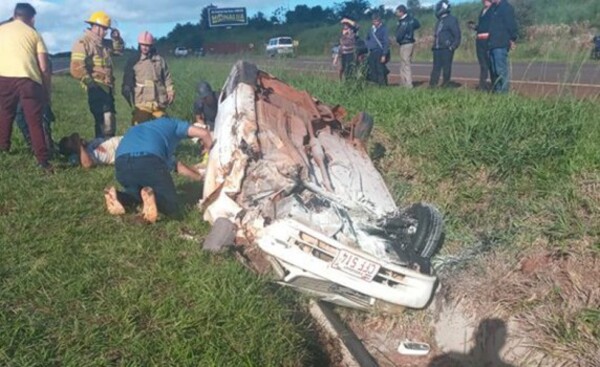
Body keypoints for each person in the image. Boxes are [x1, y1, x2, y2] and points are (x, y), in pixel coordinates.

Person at [104, 118, 212, 223]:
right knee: (172, 207)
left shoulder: (146, 130)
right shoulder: (174, 124)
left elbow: (177, 166)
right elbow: (204, 133)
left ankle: (119, 197)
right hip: (147, 160)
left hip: (122, 164)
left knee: (136, 195)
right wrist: (209, 151)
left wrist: (199, 178)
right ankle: (153, 207)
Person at [0, 3, 53, 172]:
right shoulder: (34, 34)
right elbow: (44, 67)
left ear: (15, 15)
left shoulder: (2, 30)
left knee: (5, 114)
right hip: (28, 80)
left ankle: (3, 148)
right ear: (32, 19)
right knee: (34, 121)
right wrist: (46, 91)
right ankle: (42, 160)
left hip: (4, 78)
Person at [57, 132, 203, 181]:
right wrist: (79, 146)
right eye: (72, 142)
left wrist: (82, 142)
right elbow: (88, 165)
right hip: (130, 150)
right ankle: (200, 178)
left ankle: (200, 173)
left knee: (168, 156)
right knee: (170, 163)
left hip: (131, 140)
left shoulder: (89, 145)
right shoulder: (80, 157)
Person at [70, 11, 124, 138]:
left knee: (108, 120)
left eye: (107, 29)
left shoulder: (104, 44)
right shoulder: (83, 42)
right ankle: (102, 147)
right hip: (96, 86)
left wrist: (116, 38)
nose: (106, 32)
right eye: (104, 28)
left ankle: (105, 147)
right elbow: (76, 67)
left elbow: (119, 50)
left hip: (108, 86)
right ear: (95, 26)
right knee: (104, 119)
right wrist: (90, 83)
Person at [122, 31, 175, 125]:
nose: (145, 47)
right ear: (139, 45)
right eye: (142, 45)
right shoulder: (134, 60)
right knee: (139, 127)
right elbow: (127, 78)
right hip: (142, 101)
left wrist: (170, 90)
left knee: (163, 126)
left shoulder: (159, 60)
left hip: (159, 100)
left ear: (151, 45)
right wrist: (126, 88)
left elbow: (167, 77)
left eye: (147, 45)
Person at [429, 0, 461, 88]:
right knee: (436, 68)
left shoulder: (451, 20)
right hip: (437, 48)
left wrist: (453, 46)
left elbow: (457, 35)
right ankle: (432, 85)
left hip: (446, 48)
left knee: (446, 68)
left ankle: (446, 85)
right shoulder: (439, 21)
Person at [488, 0, 518, 93]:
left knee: (500, 70)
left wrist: (513, 39)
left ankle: (504, 93)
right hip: (492, 44)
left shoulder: (506, 8)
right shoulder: (493, 8)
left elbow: (511, 25)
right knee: (494, 71)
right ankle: (497, 92)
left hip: (500, 44)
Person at [468, 0, 493, 90]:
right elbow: (482, 26)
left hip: (488, 40)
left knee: (490, 64)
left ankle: (494, 84)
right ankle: (482, 85)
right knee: (483, 64)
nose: (485, 1)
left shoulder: (493, 10)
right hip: (480, 41)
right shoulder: (482, 11)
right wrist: (475, 27)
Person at [395, 5, 421, 88]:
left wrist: (398, 39)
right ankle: (403, 82)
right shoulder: (410, 20)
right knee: (403, 63)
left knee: (406, 63)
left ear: (401, 12)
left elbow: (400, 34)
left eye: (397, 11)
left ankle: (408, 84)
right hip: (406, 42)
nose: (396, 13)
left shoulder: (404, 21)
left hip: (406, 42)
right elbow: (417, 24)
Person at [365, 12, 390, 86]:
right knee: (373, 68)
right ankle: (376, 84)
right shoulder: (371, 29)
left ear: (380, 21)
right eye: (373, 21)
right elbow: (367, 38)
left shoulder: (384, 29)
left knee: (380, 69)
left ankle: (383, 85)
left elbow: (386, 42)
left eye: (376, 21)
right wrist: (368, 44)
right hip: (372, 51)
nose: (375, 22)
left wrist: (384, 54)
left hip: (380, 51)